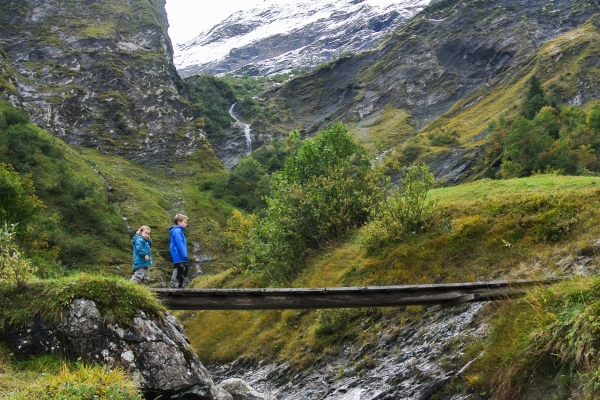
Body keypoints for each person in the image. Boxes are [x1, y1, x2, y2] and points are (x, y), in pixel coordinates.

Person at [169, 214, 189, 288]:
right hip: (178, 254)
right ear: (179, 222)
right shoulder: (177, 231)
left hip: (181, 254)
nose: (186, 224)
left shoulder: (180, 231)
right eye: (184, 222)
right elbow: (180, 243)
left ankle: (181, 283)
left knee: (184, 268)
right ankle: (174, 283)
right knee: (178, 268)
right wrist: (184, 255)